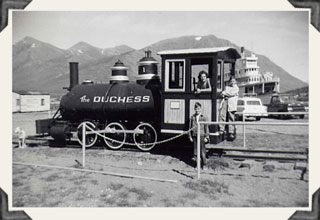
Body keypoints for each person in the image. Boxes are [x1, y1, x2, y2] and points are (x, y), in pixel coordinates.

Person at [188, 102, 209, 170]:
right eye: (196, 109)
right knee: (195, 151)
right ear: (194, 109)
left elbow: (206, 127)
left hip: (202, 135)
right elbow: (189, 128)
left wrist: (207, 137)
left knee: (202, 151)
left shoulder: (204, 117)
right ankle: (197, 165)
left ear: (200, 109)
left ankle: (204, 165)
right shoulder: (192, 117)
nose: (197, 110)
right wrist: (190, 136)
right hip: (194, 135)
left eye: (198, 109)